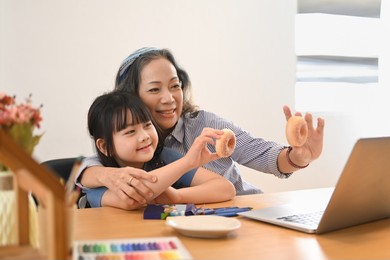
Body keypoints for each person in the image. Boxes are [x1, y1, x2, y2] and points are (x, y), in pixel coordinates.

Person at [76, 47, 325, 209]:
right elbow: (88, 168)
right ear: (130, 97)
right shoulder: (134, 150)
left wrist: (297, 157)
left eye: (175, 86)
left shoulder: (202, 125)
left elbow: (259, 154)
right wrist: (101, 176)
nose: (169, 98)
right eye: (154, 89)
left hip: (245, 208)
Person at [81, 90, 235, 209]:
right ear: (105, 146)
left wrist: (177, 197)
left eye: (147, 125)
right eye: (130, 132)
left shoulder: (164, 157)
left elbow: (226, 188)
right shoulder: (102, 176)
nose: (144, 136)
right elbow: (131, 199)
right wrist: (187, 162)